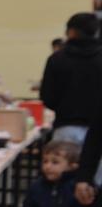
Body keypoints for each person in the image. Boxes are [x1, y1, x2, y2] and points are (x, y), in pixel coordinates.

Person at [40, 12, 102, 145]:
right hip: (98, 128)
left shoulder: (56, 59)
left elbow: (47, 97)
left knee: (63, 159)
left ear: (71, 31)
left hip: (66, 127)